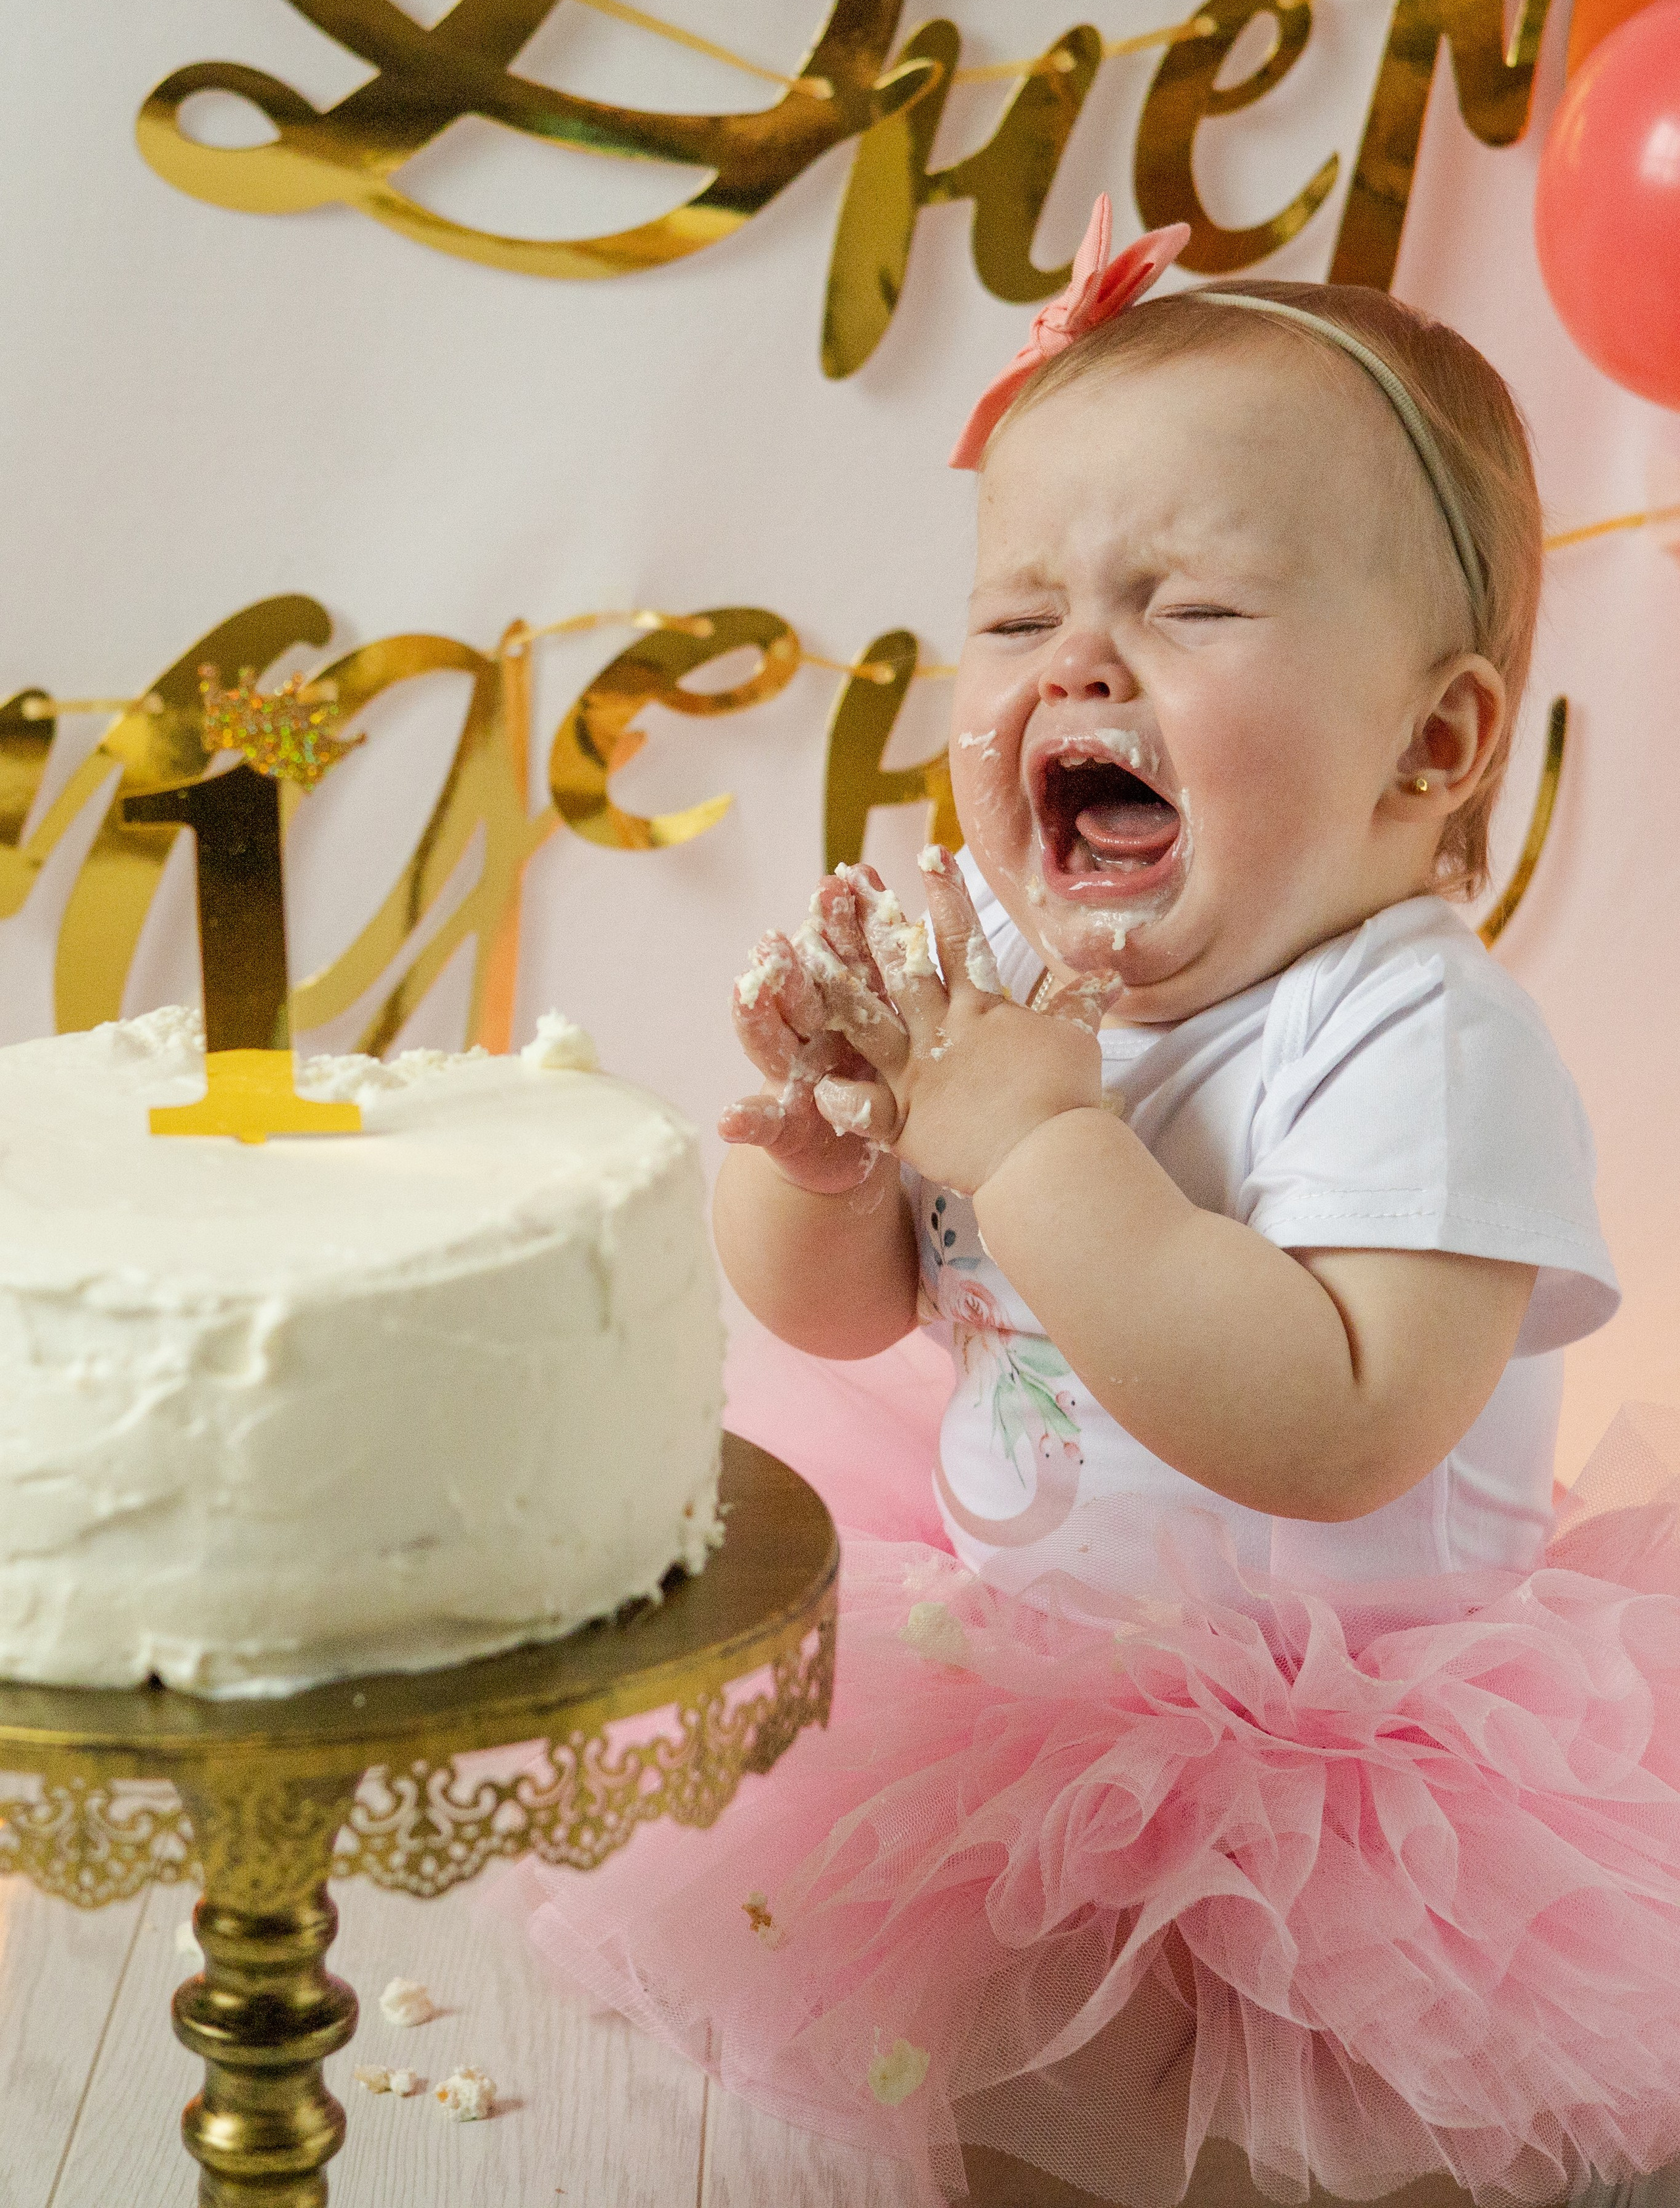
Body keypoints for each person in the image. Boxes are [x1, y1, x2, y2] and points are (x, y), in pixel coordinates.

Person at [511, 200, 1680, 2208]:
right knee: (1012, 2103)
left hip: (1359, 1790)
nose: (1079, 661)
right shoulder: (1006, 966)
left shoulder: (1421, 1036)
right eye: (1016, 614)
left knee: (1302, 2159)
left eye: (1193, 606)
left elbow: (1336, 1424)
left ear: (1434, 738)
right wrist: (826, 1161)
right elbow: (851, 1313)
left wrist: (1045, 1146)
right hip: (1020, 1689)